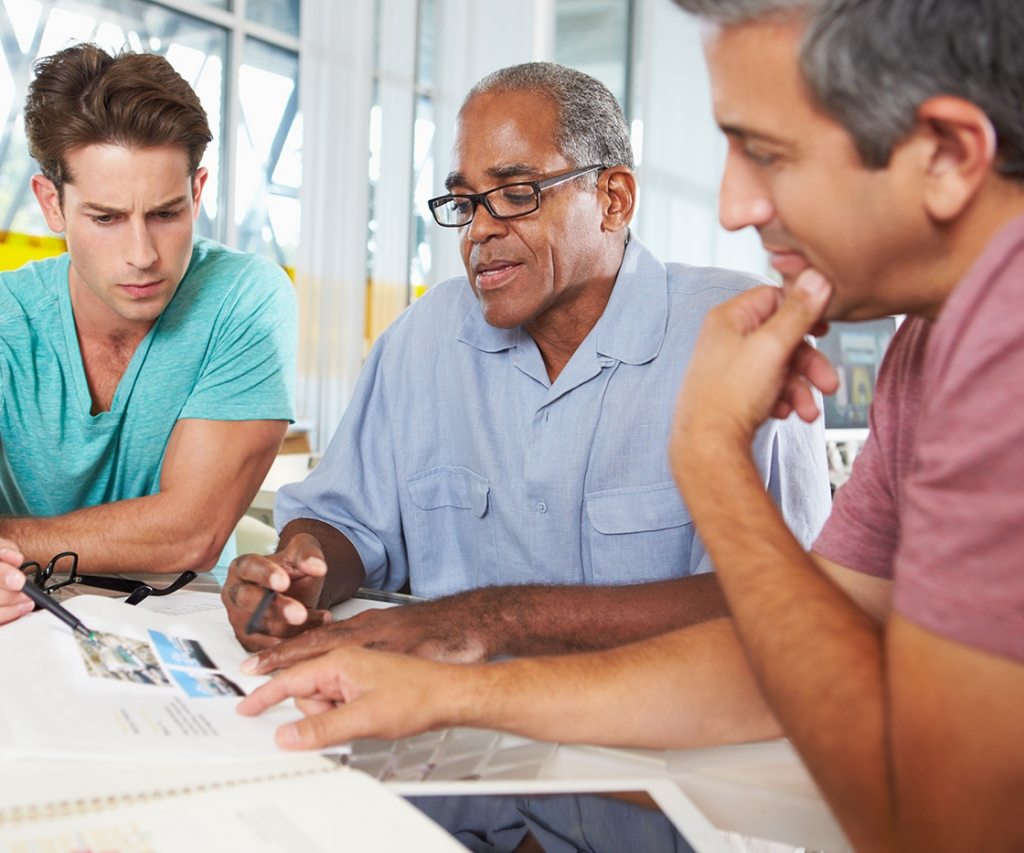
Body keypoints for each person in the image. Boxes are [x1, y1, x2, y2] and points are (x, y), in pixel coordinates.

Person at [238, 1, 1024, 849]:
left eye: (768, 152)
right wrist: (449, 683)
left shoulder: (977, 344)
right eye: (468, 203)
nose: (734, 206)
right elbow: (789, 662)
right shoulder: (928, 346)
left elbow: (940, 812)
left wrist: (707, 454)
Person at [223, 61, 830, 666]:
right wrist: (299, 570)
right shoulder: (423, 339)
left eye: (517, 195)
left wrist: (483, 621)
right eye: (464, 204)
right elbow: (348, 523)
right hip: (446, 719)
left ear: (613, 200)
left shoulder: (734, 335)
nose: (478, 232)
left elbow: (772, 608)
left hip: (655, 736)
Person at [0, 43, 297, 622]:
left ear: (197, 191)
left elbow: (189, 535)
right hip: (24, 622)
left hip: (185, 626)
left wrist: (8, 539)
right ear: (51, 204)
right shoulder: (6, 316)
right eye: (105, 218)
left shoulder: (247, 298)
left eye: (165, 213)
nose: (142, 255)